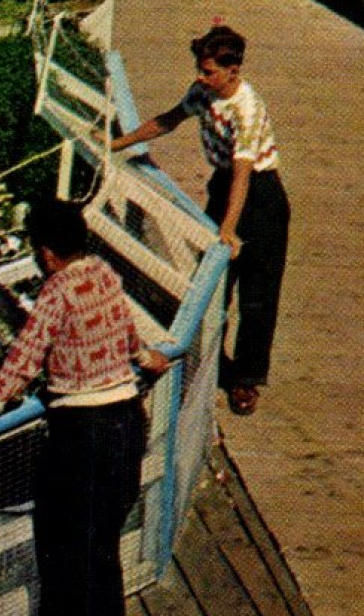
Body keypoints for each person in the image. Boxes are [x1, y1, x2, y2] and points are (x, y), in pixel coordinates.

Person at [0, 199, 169, 616]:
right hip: (126, 419)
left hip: (84, 430)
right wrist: (145, 355)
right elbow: (125, 330)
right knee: (103, 532)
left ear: (48, 254)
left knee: (66, 536)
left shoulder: (56, 291)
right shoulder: (103, 271)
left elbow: (25, 357)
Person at [107, 23, 289, 416]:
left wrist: (227, 229)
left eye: (208, 72)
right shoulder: (202, 93)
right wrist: (119, 143)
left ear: (232, 71)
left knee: (257, 295)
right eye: (200, 69)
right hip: (225, 186)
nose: (200, 78)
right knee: (211, 285)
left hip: (259, 196)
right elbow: (168, 120)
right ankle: (207, 361)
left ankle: (246, 378)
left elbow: (244, 171)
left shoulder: (246, 107)